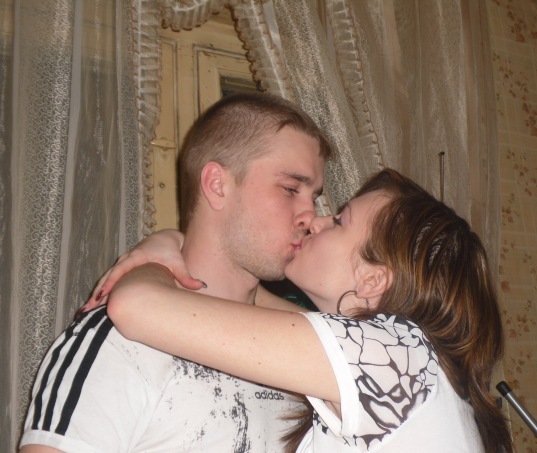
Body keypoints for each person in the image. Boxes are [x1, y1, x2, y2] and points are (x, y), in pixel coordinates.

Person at [98, 168, 513, 452]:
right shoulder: (411, 364)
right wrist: (173, 241)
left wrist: (155, 260)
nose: (316, 220)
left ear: (372, 280)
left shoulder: (394, 356)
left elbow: (135, 305)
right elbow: (251, 298)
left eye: (341, 221)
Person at [19, 91, 333, 452]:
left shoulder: (300, 352)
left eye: (314, 197)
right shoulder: (121, 338)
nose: (311, 216)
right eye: (290, 189)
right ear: (217, 185)